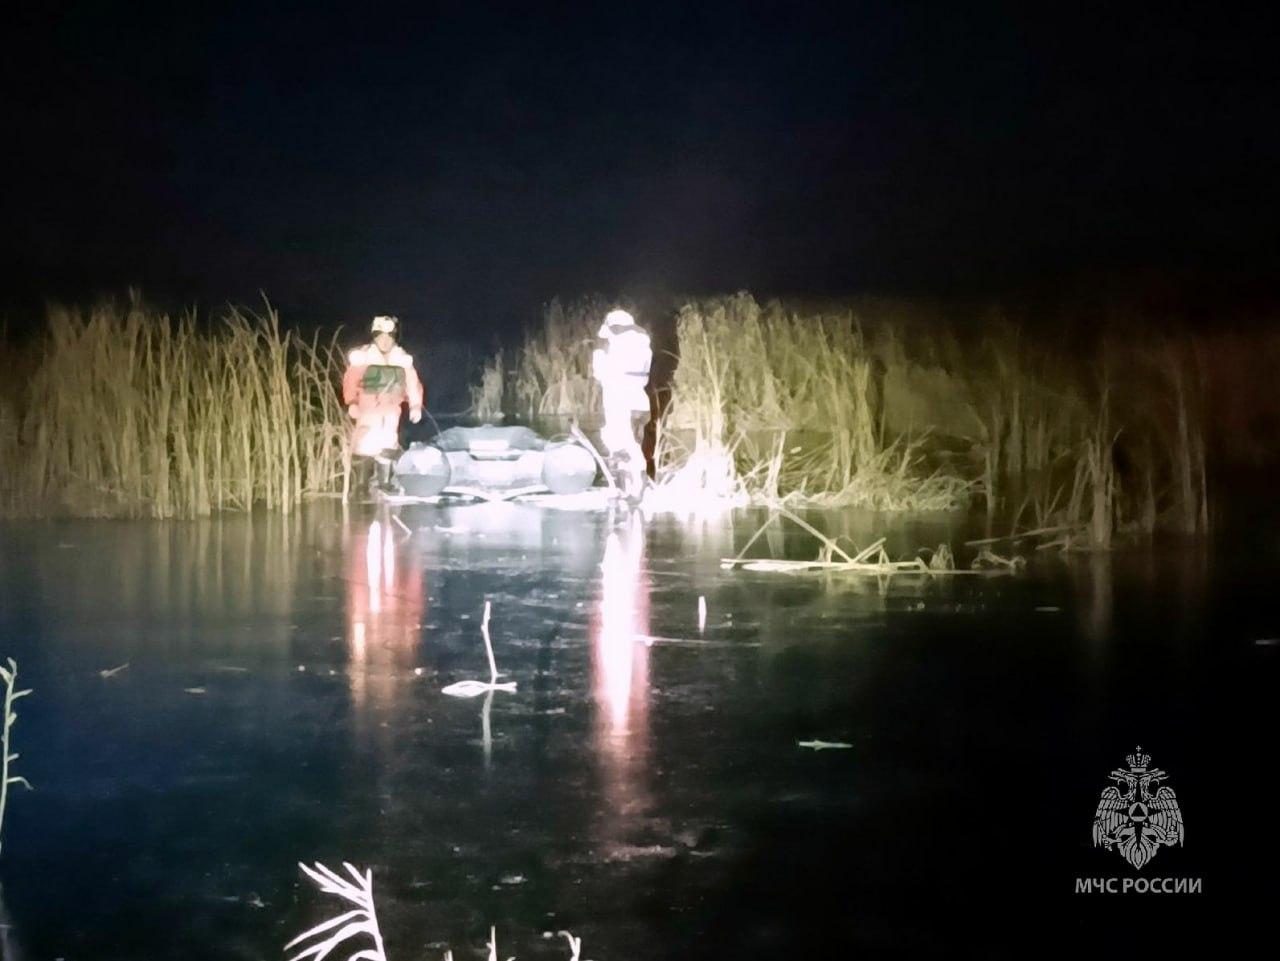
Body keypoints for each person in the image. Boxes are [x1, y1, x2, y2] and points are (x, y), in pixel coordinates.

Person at [342, 315, 424, 495]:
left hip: (391, 412)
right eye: (381, 336)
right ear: (374, 337)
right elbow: (350, 382)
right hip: (367, 410)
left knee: (388, 445)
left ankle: (384, 483)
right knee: (363, 445)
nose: (385, 341)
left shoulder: (402, 359)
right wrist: (352, 402)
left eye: (389, 337)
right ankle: (361, 485)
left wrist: (415, 406)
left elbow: (412, 384)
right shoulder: (363, 358)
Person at [591, 308, 652, 498]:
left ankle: (633, 489)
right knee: (634, 445)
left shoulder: (614, 347)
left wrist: (598, 354)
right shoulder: (643, 344)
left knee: (620, 444)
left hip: (620, 402)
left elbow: (600, 374)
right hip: (641, 402)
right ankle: (635, 485)